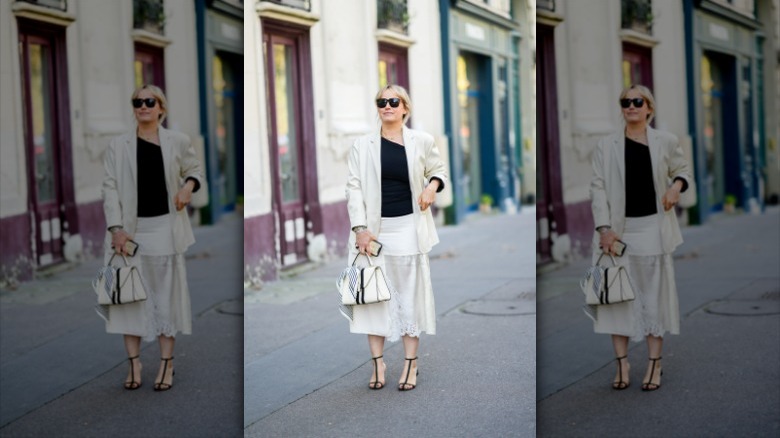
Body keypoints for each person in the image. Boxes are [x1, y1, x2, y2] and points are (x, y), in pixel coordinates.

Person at [344, 84, 447, 391]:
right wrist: (360, 228)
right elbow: (353, 188)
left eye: (393, 101)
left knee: (408, 297)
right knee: (372, 297)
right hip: (373, 233)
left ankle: (411, 364)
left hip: (408, 228)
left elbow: (439, 171)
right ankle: (378, 364)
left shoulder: (422, 141)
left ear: (405, 108)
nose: (386, 105)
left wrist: (431, 187)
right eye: (381, 101)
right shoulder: (361, 146)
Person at [101, 84, 203, 391]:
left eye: (150, 101)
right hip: (129, 233)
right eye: (137, 101)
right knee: (128, 298)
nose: (143, 106)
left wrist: (187, 188)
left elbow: (195, 169)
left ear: (161, 108)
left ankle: (167, 364)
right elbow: (109, 188)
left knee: (163, 298)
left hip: (164, 228)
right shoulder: (117, 146)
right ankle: (134, 364)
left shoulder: (178, 141)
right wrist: (115, 228)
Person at [589, 84, 690, 391]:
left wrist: (675, 188)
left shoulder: (666, 141)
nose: (631, 106)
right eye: (625, 101)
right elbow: (598, 188)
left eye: (637, 101)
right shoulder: (605, 146)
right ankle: (622, 364)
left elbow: (683, 170)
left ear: (649, 108)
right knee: (615, 299)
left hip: (652, 228)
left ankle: (655, 364)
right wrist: (604, 229)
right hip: (617, 233)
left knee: (652, 298)